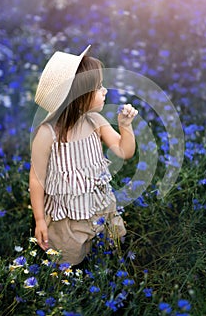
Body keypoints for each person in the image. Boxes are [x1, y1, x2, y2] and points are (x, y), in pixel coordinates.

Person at [29, 45, 138, 265]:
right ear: (78, 97)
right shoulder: (47, 133)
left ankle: (109, 272)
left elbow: (124, 151)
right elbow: (37, 179)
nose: (105, 90)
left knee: (113, 248)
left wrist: (125, 126)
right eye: (98, 87)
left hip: (101, 207)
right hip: (69, 218)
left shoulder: (96, 122)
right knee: (68, 259)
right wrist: (40, 220)